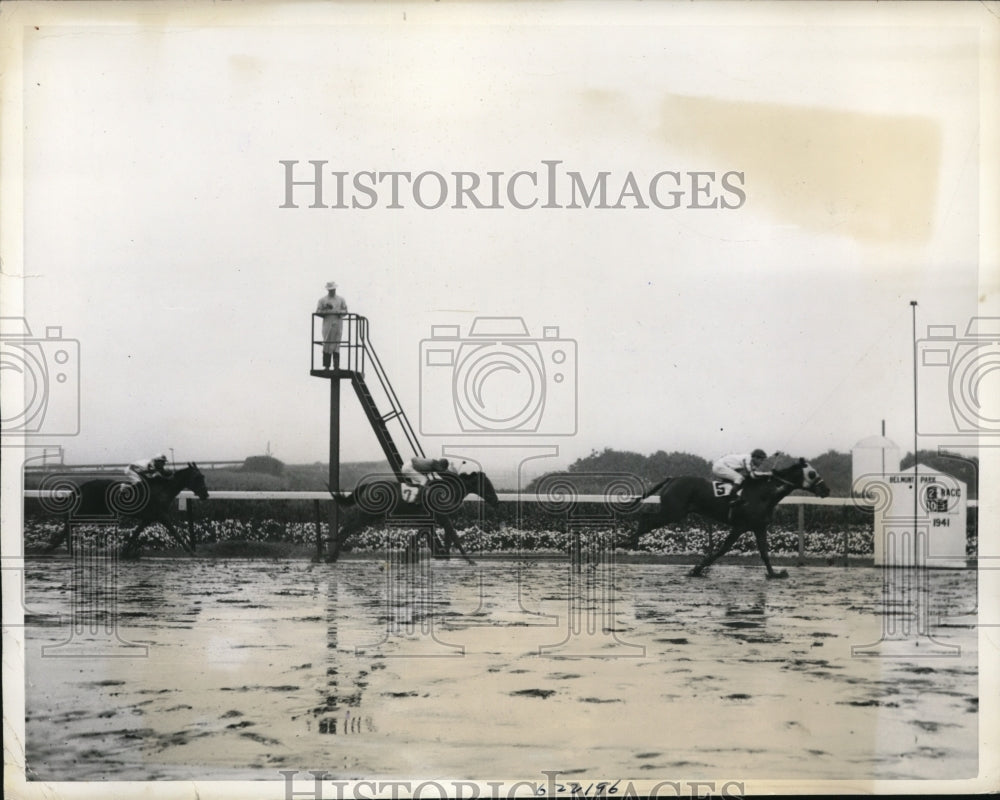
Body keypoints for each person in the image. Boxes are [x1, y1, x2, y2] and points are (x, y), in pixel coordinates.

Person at [316, 281, 348, 369]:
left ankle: (336, 366)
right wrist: (326, 309)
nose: (332, 291)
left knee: (337, 343)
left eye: (333, 289)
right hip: (327, 323)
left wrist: (339, 312)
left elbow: (345, 311)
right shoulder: (322, 300)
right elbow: (318, 312)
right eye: (330, 290)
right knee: (327, 342)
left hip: (338, 322)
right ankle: (326, 366)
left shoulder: (341, 299)